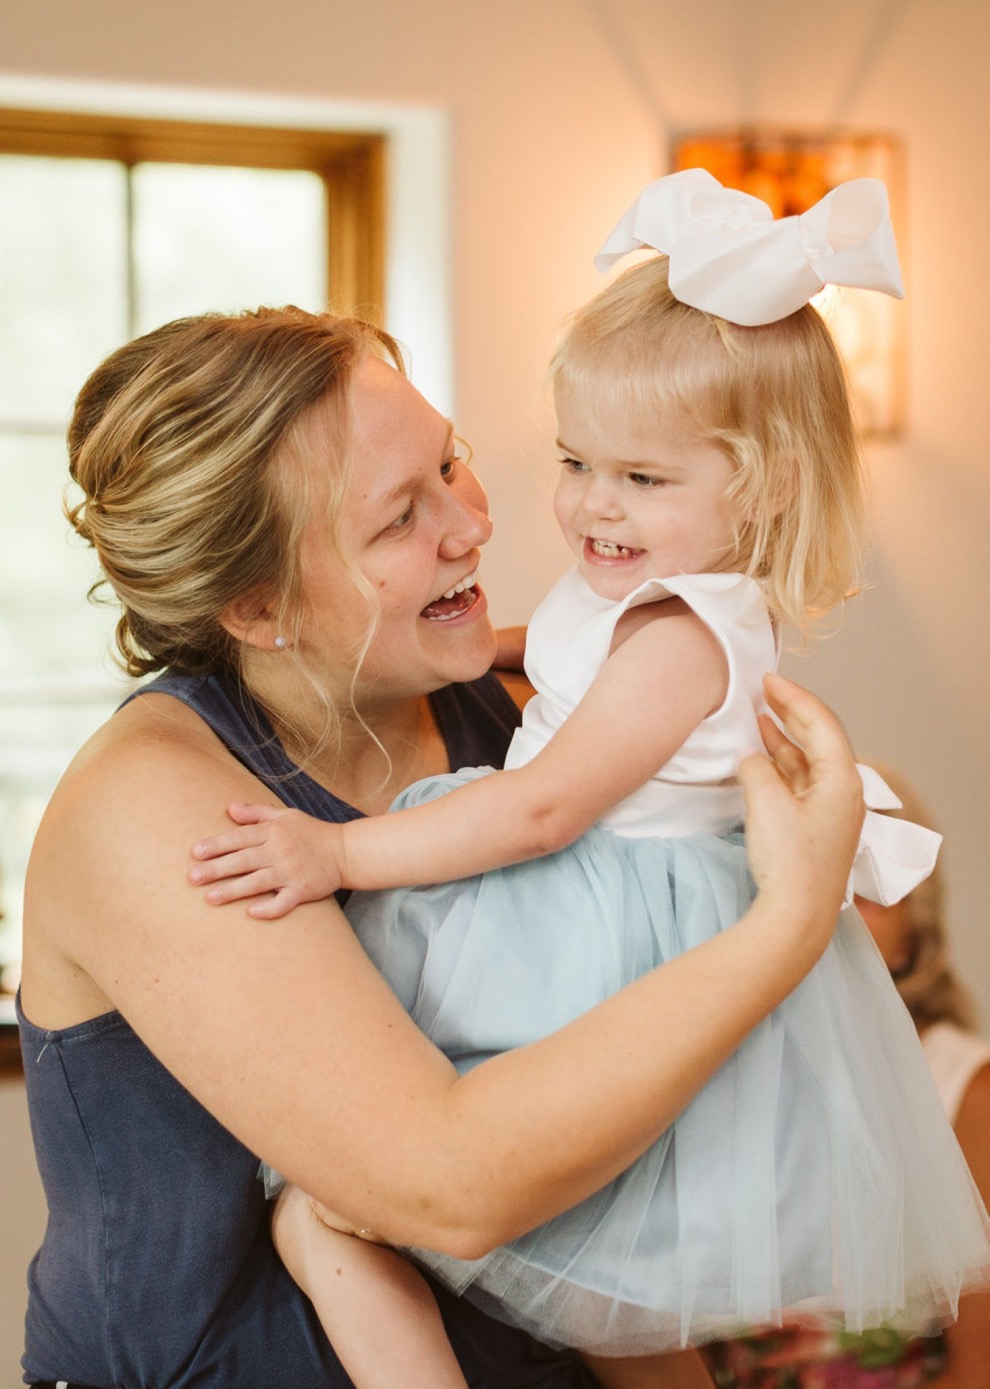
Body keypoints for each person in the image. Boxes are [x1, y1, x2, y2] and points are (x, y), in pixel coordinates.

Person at [188, 172, 990, 1388]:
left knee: (343, 1201)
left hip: (600, 927)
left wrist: (338, 852)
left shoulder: (676, 639)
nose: (589, 508)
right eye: (576, 461)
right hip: (609, 912)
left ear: (765, 484)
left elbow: (544, 803)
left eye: (643, 481)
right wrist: (498, 646)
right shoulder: (649, 598)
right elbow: (567, 655)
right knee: (397, 1220)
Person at [17, 292, 869, 1389]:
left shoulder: (506, 717)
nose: (475, 525)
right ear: (258, 608)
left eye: (450, 465)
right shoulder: (158, 808)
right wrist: (791, 920)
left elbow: (613, 1168)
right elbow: (450, 1186)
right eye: (397, 519)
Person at [702, 767, 990, 1387]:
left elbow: (982, 1358)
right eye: (805, 877)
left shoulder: (969, 1088)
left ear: (915, 936)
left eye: (868, 884)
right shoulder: (701, 1077)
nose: (836, 910)